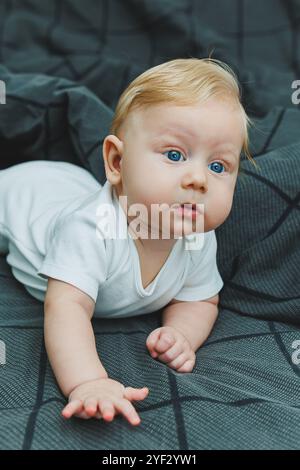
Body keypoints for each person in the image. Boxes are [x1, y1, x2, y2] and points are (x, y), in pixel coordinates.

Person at [0, 58, 257, 426]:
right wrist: (88, 381)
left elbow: (200, 298)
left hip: (73, 189)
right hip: (25, 199)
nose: (199, 179)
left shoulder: (198, 236)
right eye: (174, 155)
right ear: (117, 162)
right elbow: (66, 308)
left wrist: (181, 334)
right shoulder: (90, 229)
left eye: (218, 166)